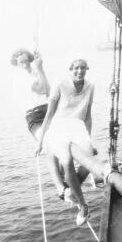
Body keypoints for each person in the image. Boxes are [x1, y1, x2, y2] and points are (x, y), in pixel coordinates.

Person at [35, 59, 95, 226]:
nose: (80, 71)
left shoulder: (90, 86)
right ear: (71, 70)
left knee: (89, 162)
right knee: (67, 161)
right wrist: (40, 142)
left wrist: (89, 139)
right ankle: (83, 206)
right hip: (59, 126)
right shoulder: (60, 84)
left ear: (87, 69)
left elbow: (88, 116)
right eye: (76, 68)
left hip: (78, 127)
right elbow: (49, 114)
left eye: (83, 68)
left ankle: (68, 188)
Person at [11, 48, 71, 203]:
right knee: (49, 144)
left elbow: (49, 93)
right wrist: (40, 69)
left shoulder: (34, 74)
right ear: (17, 65)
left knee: (64, 143)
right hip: (34, 116)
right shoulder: (21, 79)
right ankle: (60, 187)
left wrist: (40, 69)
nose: (24, 64)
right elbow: (44, 89)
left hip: (48, 111)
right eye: (20, 62)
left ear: (30, 60)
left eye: (26, 61)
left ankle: (65, 179)